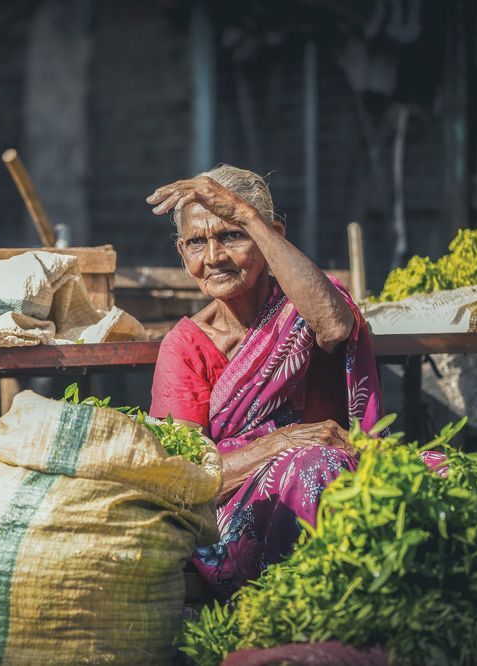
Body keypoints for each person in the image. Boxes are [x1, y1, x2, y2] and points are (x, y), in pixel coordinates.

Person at [145, 165, 384, 597]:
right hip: (238, 517)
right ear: (183, 253)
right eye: (197, 242)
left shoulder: (305, 306)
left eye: (233, 234)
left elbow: (333, 325)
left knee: (436, 475)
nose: (213, 256)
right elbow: (180, 475)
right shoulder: (184, 347)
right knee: (314, 464)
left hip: (346, 483)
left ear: (272, 235)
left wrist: (247, 214)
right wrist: (278, 445)